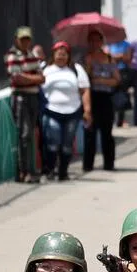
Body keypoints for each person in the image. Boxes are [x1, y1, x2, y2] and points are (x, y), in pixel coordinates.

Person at [40, 42, 91, 182]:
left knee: (67, 145)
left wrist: (87, 110)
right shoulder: (46, 69)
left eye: (64, 54)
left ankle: (63, 172)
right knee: (52, 142)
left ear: (68, 56)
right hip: (52, 111)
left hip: (72, 112)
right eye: (58, 54)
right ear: (53, 55)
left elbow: (85, 89)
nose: (61, 56)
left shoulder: (76, 70)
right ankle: (50, 170)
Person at [4, 26, 45, 184]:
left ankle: (30, 169)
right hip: (20, 97)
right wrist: (33, 77)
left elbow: (42, 78)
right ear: (16, 40)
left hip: (33, 97)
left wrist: (27, 77)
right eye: (23, 39)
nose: (26, 42)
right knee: (25, 134)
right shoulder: (12, 56)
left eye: (28, 39)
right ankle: (24, 171)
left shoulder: (31, 55)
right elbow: (16, 79)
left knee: (30, 134)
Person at [82, 30, 119, 172]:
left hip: (106, 98)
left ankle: (109, 163)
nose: (95, 43)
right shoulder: (86, 58)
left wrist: (101, 80)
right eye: (91, 40)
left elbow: (116, 79)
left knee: (107, 133)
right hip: (92, 97)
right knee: (90, 132)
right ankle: (88, 164)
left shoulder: (109, 59)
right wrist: (90, 66)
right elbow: (85, 79)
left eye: (97, 40)